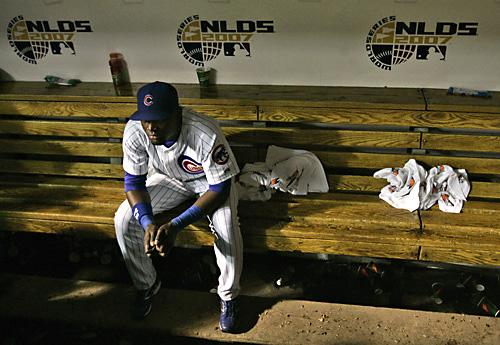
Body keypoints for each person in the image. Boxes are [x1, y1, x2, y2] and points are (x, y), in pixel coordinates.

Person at [114, 81, 243, 333]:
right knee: (124, 218)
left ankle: (229, 296)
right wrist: (147, 221)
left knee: (226, 224)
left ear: (176, 112)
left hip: (210, 183)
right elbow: (133, 182)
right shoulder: (135, 130)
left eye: (158, 119)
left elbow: (220, 188)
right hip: (168, 179)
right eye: (146, 118)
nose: (151, 126)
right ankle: (147, 285)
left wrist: (176, 225)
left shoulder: (203, 132)